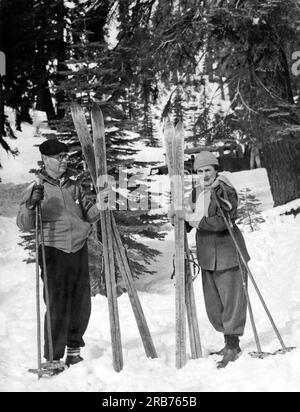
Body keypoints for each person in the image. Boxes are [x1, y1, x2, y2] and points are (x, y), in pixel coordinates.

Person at [16, 139, 105, 370]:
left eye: (66, 156)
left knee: (81, 301)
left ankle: (74, 352)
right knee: (56, 304)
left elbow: (90, 215)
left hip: (78, 247)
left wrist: (104, 203)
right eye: (60, 157)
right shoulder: (36, 187)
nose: (65, 160)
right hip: (53, 251)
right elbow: (24, 224)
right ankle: (53, 358)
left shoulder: (75, 186)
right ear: (46, 160)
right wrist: (31, 204)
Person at [184, 151, 250, 368]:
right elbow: (188, 221)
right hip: (207, 256)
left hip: (228, 253)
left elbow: (221, 222)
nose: (204, 175)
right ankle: (227, 342)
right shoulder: (196, 193)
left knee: (232, 301)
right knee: (215, 305)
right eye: (200, 171)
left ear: (215, 170)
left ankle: (233, 345)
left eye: (208, 170)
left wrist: (193, 219)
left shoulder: (224, 188)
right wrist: (178, 217)